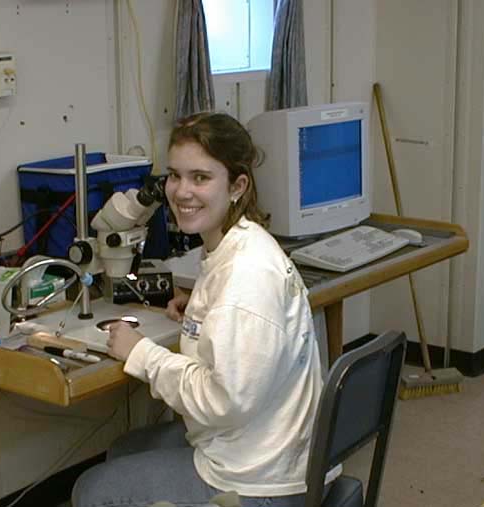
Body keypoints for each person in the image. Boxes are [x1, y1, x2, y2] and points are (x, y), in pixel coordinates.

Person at [72, 112, 339, 507]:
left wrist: (142, 353)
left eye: (201, 177)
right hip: (269, 447)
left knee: (91, 491)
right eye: (175, 176)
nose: (181, 191)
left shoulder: (245, 276)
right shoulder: (239, 242)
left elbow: (223, 400)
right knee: (126, 450)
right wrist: (202, 305)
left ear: (237, 185)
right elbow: (236, 321)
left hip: (262, 482)